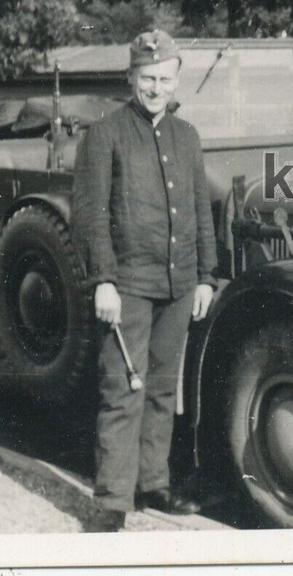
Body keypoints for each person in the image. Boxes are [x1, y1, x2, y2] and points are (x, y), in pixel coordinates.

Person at [72, 30, 218, 532]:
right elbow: (90, 214)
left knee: (160, 388)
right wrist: (103, 282)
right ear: (131, 77)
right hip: (128, 285)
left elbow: (200, 209)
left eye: (164, 78)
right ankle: (113, 500)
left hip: (178, 285)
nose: (156, 87)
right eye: (147, 77)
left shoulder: (188, 136)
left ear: (177, 79)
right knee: (122, 389)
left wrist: (205, 278)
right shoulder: (105, 133)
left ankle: (154, 484)